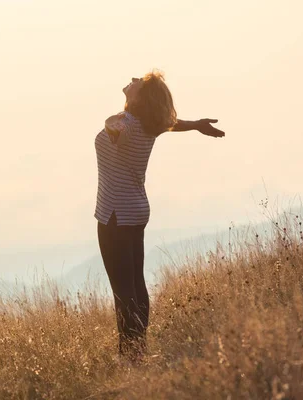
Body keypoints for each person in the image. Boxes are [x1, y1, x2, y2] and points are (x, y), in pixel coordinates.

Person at [94, 70, 225, 363]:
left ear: (140, 97)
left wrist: (122, 111)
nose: (132, 78)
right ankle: (137, 347)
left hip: (115, 214)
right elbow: (167, 122)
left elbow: (114, 125)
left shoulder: (126, 123)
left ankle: (129, 355)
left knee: (123, 289)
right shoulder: (148, 123)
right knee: (136, 284)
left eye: (138, 81)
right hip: (136, 210)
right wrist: (195, 126)